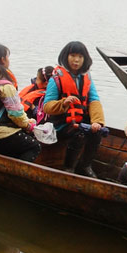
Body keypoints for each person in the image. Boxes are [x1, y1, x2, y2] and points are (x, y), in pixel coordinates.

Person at [43, 41, 106, 177]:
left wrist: (97, 122)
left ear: (85, 59)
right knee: (80, 134)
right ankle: (68, 168)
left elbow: (94, 100)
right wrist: (63, 103)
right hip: (61, 124)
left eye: (80, 56)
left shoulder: (87, 77)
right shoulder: (57, 78)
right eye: (73, 55)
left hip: (80, 121)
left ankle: (85, 166)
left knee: (96, 132)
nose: (76, 60)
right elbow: (47, 107)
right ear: (66, 56)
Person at [0, 44, 41, 162]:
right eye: (7, 57)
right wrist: (29, 125)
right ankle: (19, 175)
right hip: (0, 133)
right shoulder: (5, 85)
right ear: (3, 60)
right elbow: (16, 115)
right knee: (35, 146)